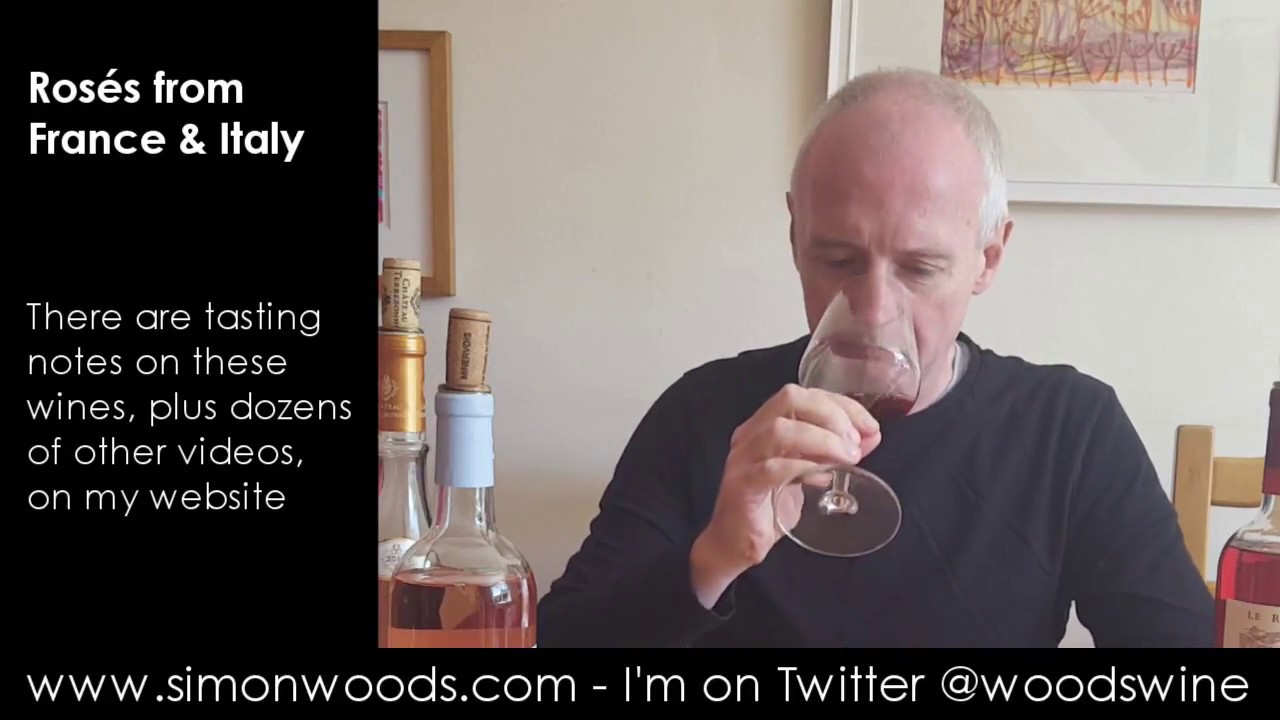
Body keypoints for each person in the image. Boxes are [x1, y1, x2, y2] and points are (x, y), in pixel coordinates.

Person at [536, 68, 1214, 648]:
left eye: (919, 268)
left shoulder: (1069, 428)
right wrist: (713, 558)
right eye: (838, 260)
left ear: (988, 259)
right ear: (796, 236)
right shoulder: (704, 413)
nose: (871, 308)